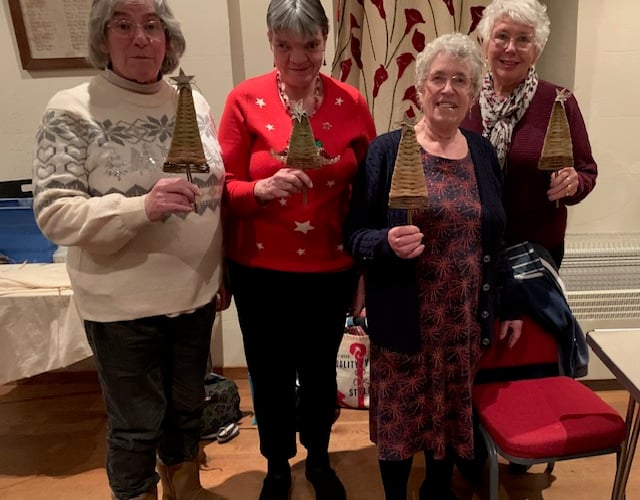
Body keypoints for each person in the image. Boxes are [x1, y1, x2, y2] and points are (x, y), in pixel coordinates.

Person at [31, 1, 224, 499]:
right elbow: (54, 213)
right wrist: (142, 207)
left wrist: (221, 270)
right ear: (102, 38)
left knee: (187, 410)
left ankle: (185, 485)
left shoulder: (193, 100)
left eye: (151, 25)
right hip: (121, 308)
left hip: (194, 296)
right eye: (123, 25)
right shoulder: (71, 108)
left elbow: (212, 192)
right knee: (136, 425)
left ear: (168, 37)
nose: (140, 38)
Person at [344, 33, 522, 500]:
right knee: (402, 418)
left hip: (463, 319)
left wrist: (512, 305)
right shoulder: (386, 152)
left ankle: (437, 490)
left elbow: (497, 237)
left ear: (471, 92)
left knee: (448, 414)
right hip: (405, 316)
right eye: (438, 79)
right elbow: (353, 234)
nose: (448, 90)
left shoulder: (482, 153)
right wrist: (384, 242)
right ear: (420, 88)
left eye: (460, 81)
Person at [217, 0, 376, 498]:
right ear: (270, 41)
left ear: (325, 41)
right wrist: (257, 191)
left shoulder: (351, 101)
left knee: (318, 366)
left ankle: (320, 458)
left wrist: (364, 270)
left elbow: (369, 192)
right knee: (269, 371)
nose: (298, 57)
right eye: (285, 45)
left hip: (331, 268)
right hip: (258, 268)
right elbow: (218, 188)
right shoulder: (243, 99)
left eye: (309, 44)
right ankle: (277, 465)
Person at [461, 0, 597, 267]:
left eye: (523, 39)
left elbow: (586, 171)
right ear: (485, 42)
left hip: (534, 253)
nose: (510, 48)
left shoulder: (559, 101)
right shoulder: (465, 99)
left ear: (536, 51)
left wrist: (573, 183)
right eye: (501, 36)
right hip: (469, 248)